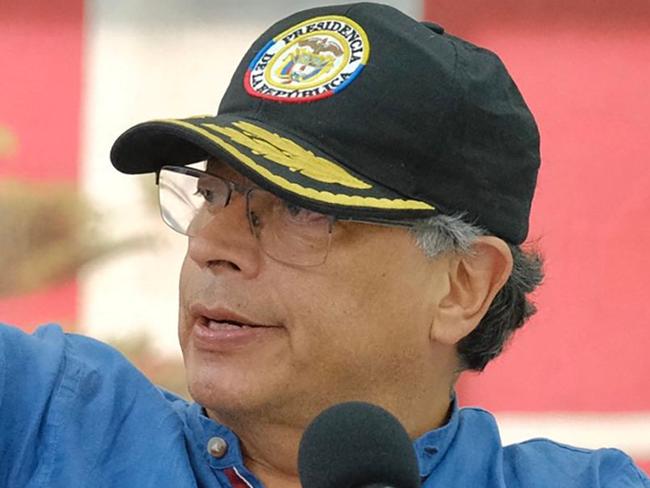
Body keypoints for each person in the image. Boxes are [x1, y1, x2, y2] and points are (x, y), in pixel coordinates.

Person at [1, 3, 648, 487]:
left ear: (463, 286)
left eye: (302, 211)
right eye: (211, 194)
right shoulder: (46, 421)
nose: (211, 246)